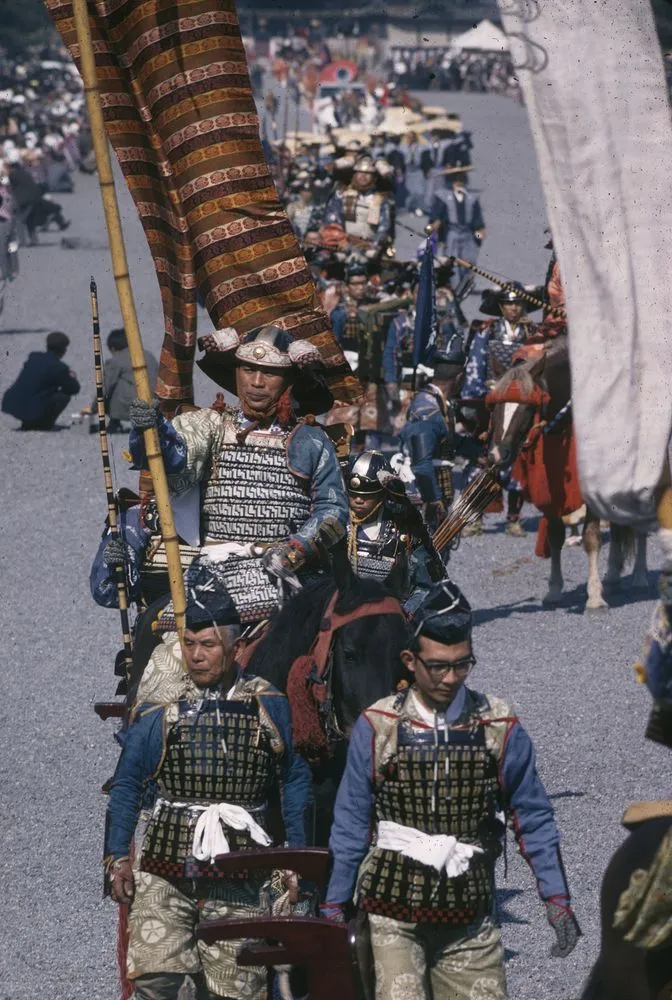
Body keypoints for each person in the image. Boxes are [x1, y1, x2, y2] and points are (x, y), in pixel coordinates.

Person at [323, 581, 580, 999]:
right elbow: (352, 819)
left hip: (469, 911)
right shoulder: (378, 726)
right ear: (410, 660)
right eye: (438, 666)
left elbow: (531, 814)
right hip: (392, 909)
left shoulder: (498, 724)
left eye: (462, 665)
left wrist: (555, 897)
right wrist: (335, 904)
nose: (450, 678)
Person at [105, 586, 312, 1000]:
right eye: (190, 644)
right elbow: (128, 781)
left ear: (235, 648)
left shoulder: (268, 704)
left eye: (209, 645)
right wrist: (118, 858)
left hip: (242, 872)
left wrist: (295, 860)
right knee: (156, 983)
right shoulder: (161, 706)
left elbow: (294, 780)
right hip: (165, 867)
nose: (196, 655)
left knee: (237, 992)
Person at [128, 324, 348, 626]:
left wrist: (295, 551)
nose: (256, 382)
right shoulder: (211, 426)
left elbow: (333, 510)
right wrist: (151, 431)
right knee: (167, 661)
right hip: (211, 572)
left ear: (288, 381)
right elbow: (174, 460)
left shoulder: (310, 440)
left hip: (285, 576)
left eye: (269, 373)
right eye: (247, 369)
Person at [461, 285, 538, 536]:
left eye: (517, 304)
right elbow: (475, 364)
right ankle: (475, 517)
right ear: (500, 306)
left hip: (520, 404)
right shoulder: (487, 331)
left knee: (518, 459)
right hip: (489, 401)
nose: (513, 308)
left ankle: (514, 518)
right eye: (507, 303)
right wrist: (473, 401)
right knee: (483, 459)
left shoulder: (534, 333)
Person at [345, 450, 444, 596]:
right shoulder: (338, 524)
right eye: (354, 495)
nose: (359, 500)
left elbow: (426, 585)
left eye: (367, 495)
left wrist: (405, 613)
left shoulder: (403, 528)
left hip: (392, 611)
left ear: (381, 494)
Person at [81, 327, 159, 433]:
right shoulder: (149, 355)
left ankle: (115, 422)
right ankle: (116, 423)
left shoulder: (116, 361)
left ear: (113, 349)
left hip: (132, 407)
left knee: (112, 386)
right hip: (153, 404)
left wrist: (93, 408)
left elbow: (104, 388)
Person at [2, 331, 80, 430]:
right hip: (31, 408)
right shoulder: (59, 367)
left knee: (36, 394)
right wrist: (71, 377)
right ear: (63, 350)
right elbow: (74, 389)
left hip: (12, 404)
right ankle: (43, 425)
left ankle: (28, 423)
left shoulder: (34, 357)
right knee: (63, 396)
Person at [428, 167, 485, 282]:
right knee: (451, 259)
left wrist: (479, 234)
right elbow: (438, 214)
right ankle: (454, 285)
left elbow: (477, 219)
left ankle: (466, 284)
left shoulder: (471, 198)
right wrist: (435, 224)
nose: (459, 183)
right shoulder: (444, 197)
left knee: (469, 260)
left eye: (461, 180)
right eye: (456, 180)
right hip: (452, 232)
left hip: (468, 233)